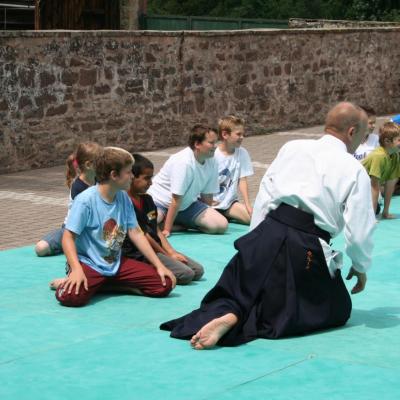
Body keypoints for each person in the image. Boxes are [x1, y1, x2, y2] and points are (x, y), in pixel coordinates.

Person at [160, 102, 376, 350]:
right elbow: (359, 230)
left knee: (246, 288)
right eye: (363, 135)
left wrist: (254, 243)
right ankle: (235, 319)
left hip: (267, 232)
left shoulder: (292, 147)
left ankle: (229, 313)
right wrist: (360, 266)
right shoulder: (353, 168)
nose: (363, 140)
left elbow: (266, 192)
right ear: (351, 132)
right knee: (336, 307)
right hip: (305, 246)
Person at [54, 147, 176, 307]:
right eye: (129, 172)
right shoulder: (85, 201)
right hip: (89, 263)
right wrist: (76, 269)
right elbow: (68, 237)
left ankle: (105, 285)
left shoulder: (123, 197)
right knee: (71, 297)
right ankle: (75, 279)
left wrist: (159, 265)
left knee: (165, 284)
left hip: (115, 263)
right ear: (113, 175)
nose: (132, 176)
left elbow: (136, 232)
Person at [122, 154, 204, 285]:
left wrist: (171, 251)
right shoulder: (125, 202)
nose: (151, 183)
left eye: (151, 178)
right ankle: (148, 270)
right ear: (132, 177)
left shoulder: (147, 200)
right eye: (146, 178)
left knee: (198, 271)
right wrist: (166, 254)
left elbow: (156, 230)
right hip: (141, 253)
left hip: (158, 248)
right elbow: (145, 235)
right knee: (186, 274)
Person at [148, 124, 228, 237]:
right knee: (148, 223)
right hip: (159, 203)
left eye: (216, 142)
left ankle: (177, 223)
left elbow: (207, 196)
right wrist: (167, 230)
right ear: (197, 144)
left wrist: (208, 214)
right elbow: (175, 199)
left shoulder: (212, 160)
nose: (215, 146)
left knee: (220, 225)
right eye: (211, 143)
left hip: (186, 205)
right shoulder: (183, 162)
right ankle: (167, 224)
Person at [35, 142, 102, 257]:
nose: (103, 165)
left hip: (91, 230)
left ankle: (72, 246)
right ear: (88, 165)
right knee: (41, 248)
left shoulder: (99, 181)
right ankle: (66, 245)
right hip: (72, 230)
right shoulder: (78, 187)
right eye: (100, 162)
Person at [212, 116, 254, 225]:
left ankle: (226, 214)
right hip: (210, 204)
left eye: (243, 134)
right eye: (238, 134)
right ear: (225, 134)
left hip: (229, 203)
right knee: (218, 225)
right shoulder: (212, 155)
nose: (242, 137)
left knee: (254, 219)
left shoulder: (242, 153)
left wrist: (248, 205)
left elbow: (242, 180)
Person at [361, 121, 400, 219]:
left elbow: (390, 185)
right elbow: (374, 187)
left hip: (366, 191)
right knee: (370, 211)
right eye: (399, 140)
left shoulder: (395, 155)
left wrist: (385, 212)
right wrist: (372, 217)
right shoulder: (379, 156)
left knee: (377, 208)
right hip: (353, 190)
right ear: (387, 141)